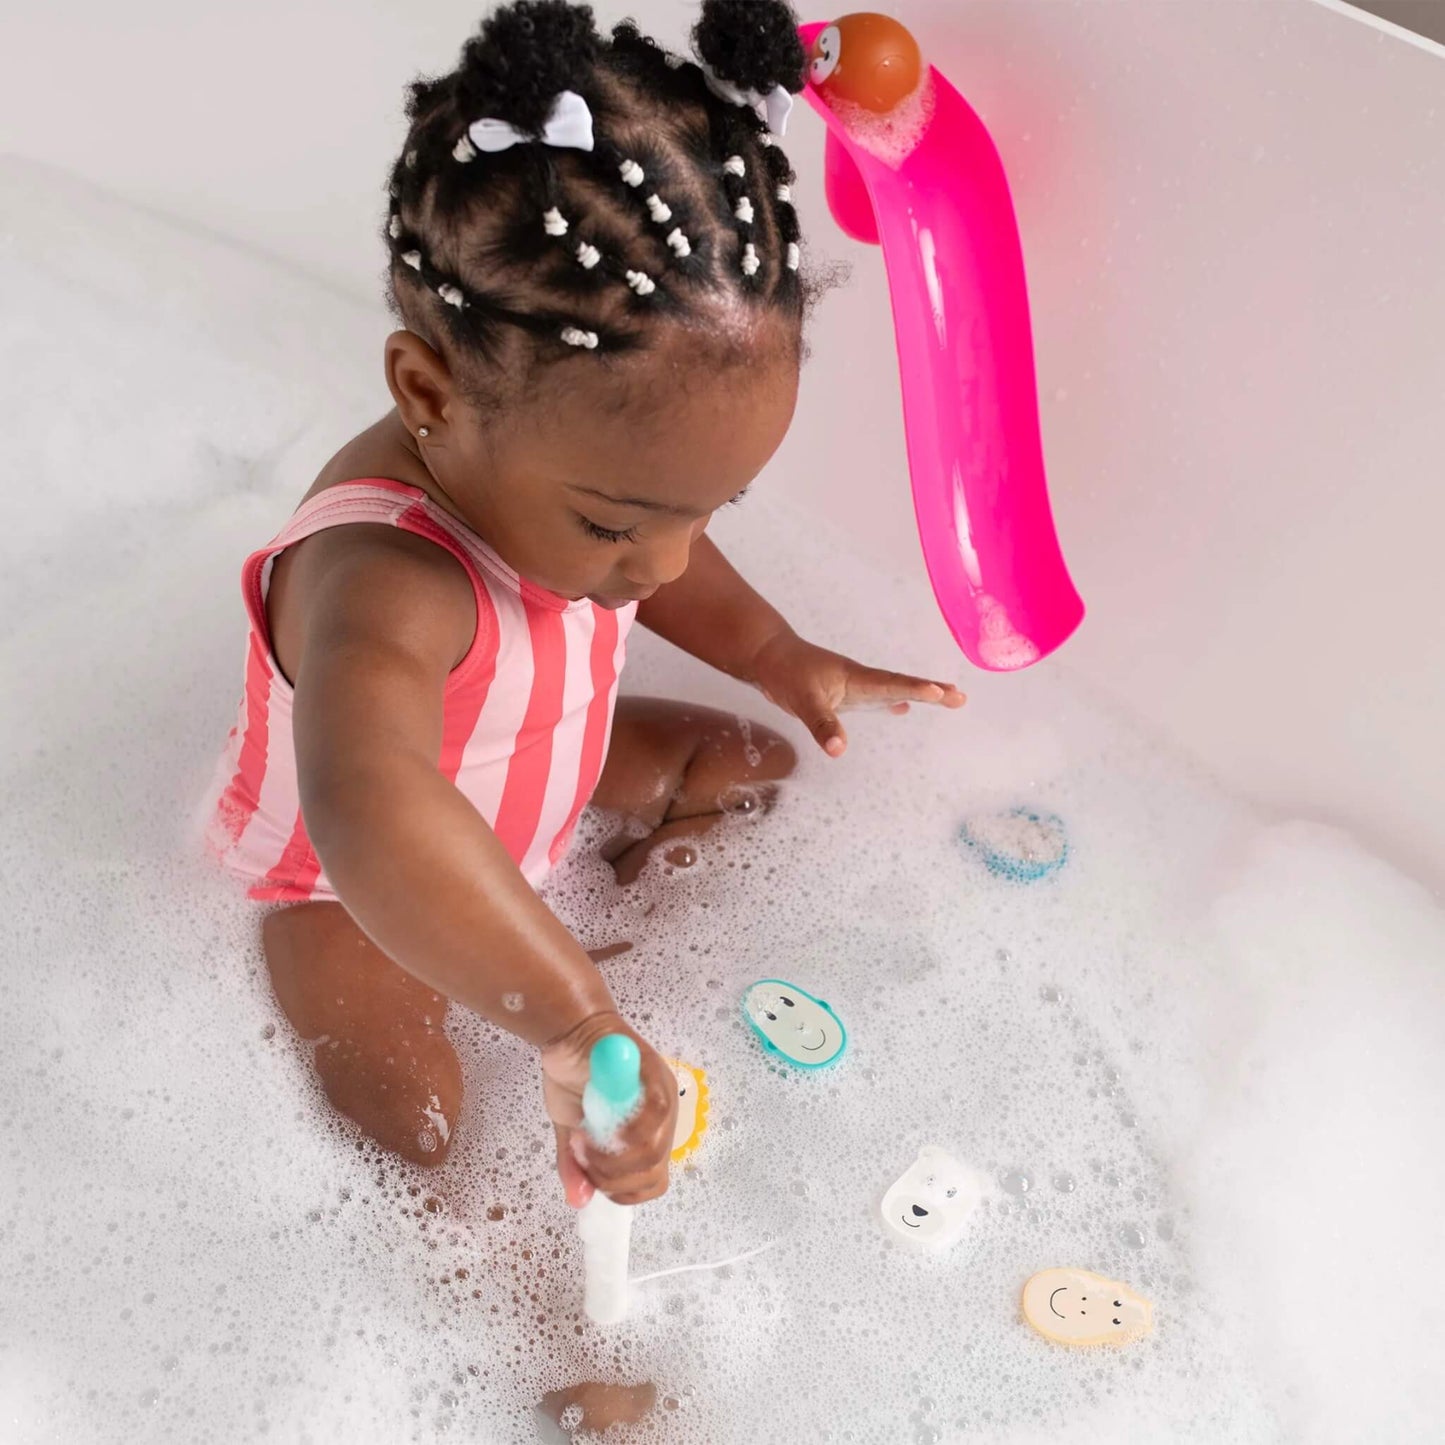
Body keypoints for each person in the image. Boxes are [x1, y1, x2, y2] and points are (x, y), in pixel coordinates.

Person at [205, 0, 965, 1215]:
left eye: (705, 511)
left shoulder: (576, 476)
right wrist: (567, 1014)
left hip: (534, 773)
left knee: (746, 763)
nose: (662, 566)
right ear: (428, 393)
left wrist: (776, 650)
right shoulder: (382, 575)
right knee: (416, 1116)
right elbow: (369, 803)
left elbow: (663, 549)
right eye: (617, 527)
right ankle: (509, 1266)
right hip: (353, 891)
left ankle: (609, 954)